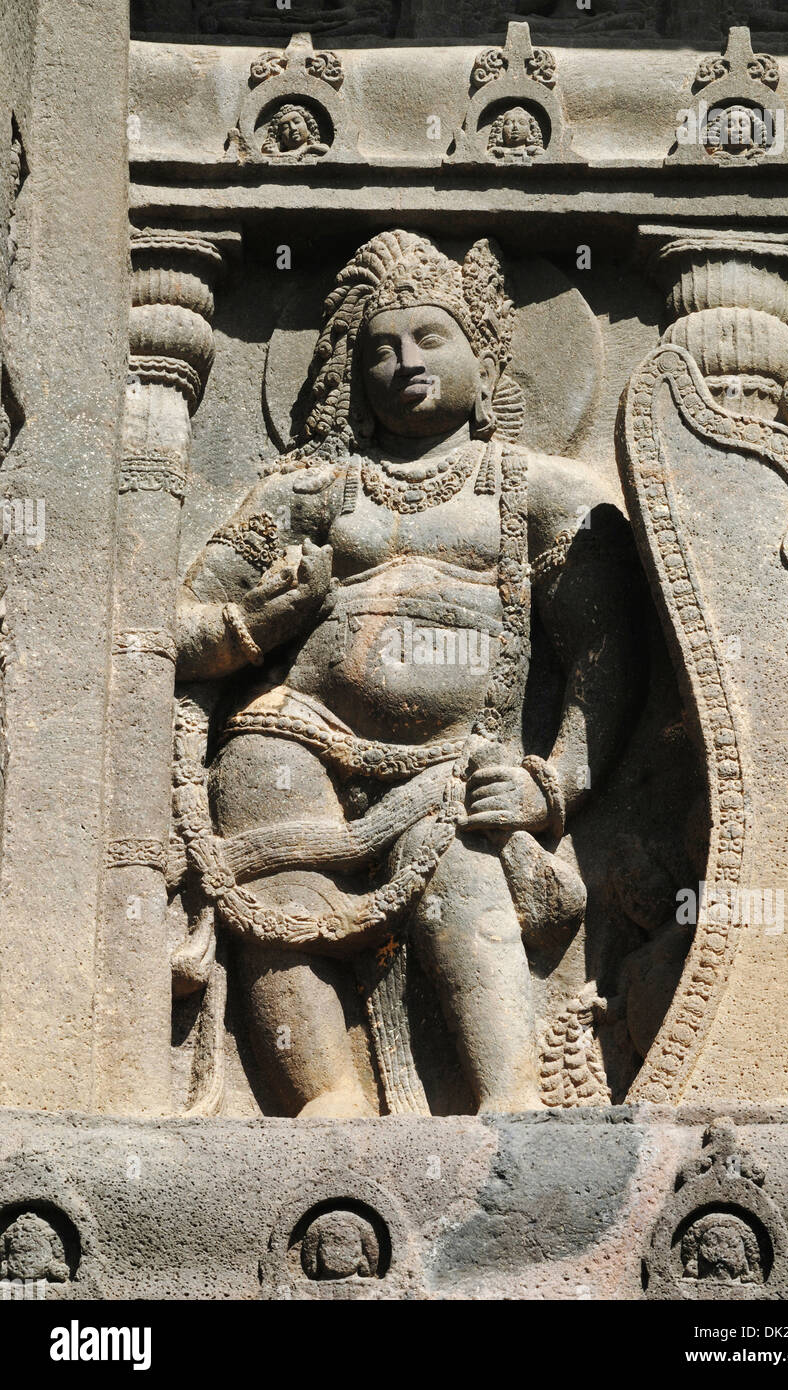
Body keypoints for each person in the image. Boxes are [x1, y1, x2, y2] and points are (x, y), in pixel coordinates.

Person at [175, 230, 637, 1116]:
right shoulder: (304, 493)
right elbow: (172, 635)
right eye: (380, 348)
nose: (405, 362)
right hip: (294, 732)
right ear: (351, 373)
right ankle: (325, 1096)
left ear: (486, 357)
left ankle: (513, 1099)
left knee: (465, 874)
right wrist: (251, 624)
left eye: (431, 338)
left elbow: (604, 658)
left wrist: (556, 782)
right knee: (279, 886)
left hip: (454, 766)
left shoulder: (541, 494)